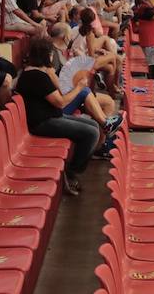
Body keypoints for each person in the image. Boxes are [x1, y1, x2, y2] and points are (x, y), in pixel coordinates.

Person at [15, 35, 113, 195]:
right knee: (92, 133)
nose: (52, 56)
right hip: (43, 122)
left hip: (51, 116)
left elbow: (59, 91)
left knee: (94, 125)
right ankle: (72, 171)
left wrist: (51, 72)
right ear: (46, 55)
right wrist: (79, 87)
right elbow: (61, 102)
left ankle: (74, 168)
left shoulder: (39, 72)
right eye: (51, 54)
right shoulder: (36, 76)